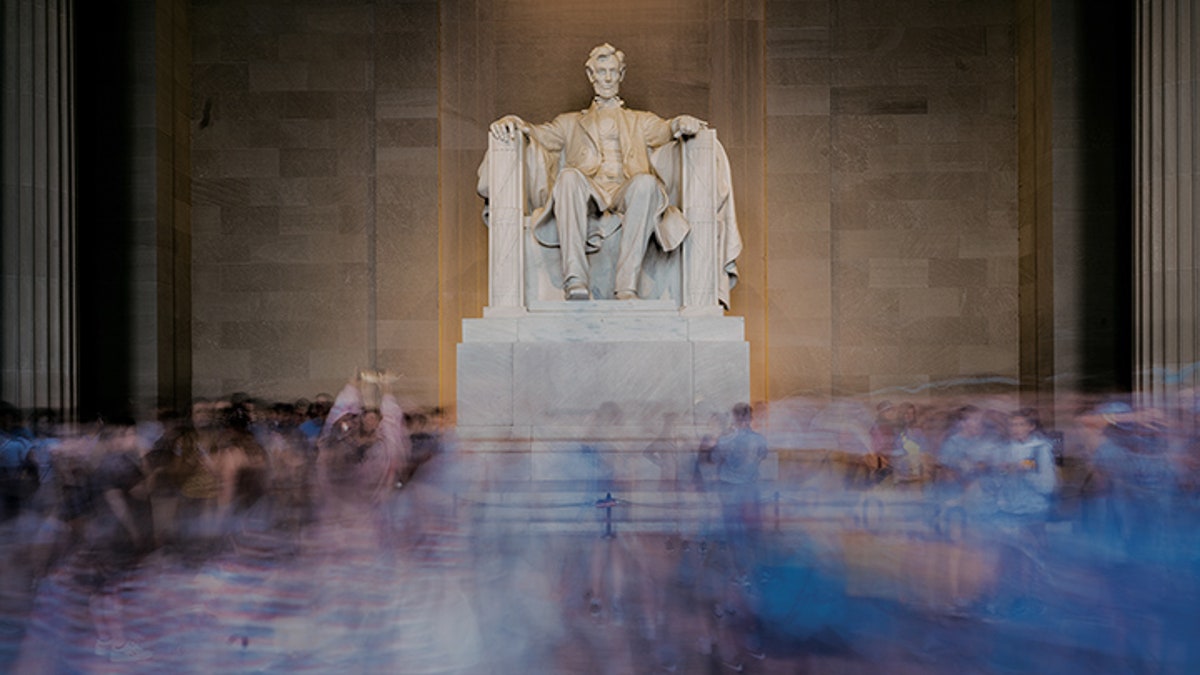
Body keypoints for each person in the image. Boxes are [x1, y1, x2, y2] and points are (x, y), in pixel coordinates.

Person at [489, 43, 708, 300]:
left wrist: (680, 122)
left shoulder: (640, 120)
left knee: (647, 184)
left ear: (622, 74)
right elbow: (538, 134)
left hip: (624, 190)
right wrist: (515, 122)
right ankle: (575, 279)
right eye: (601, 71)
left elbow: (664, 129)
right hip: (588, 191)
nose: (606, 78)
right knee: (568, 177)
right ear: (591, 76)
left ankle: (627, 286)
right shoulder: (570, 122)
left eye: (613, 72)